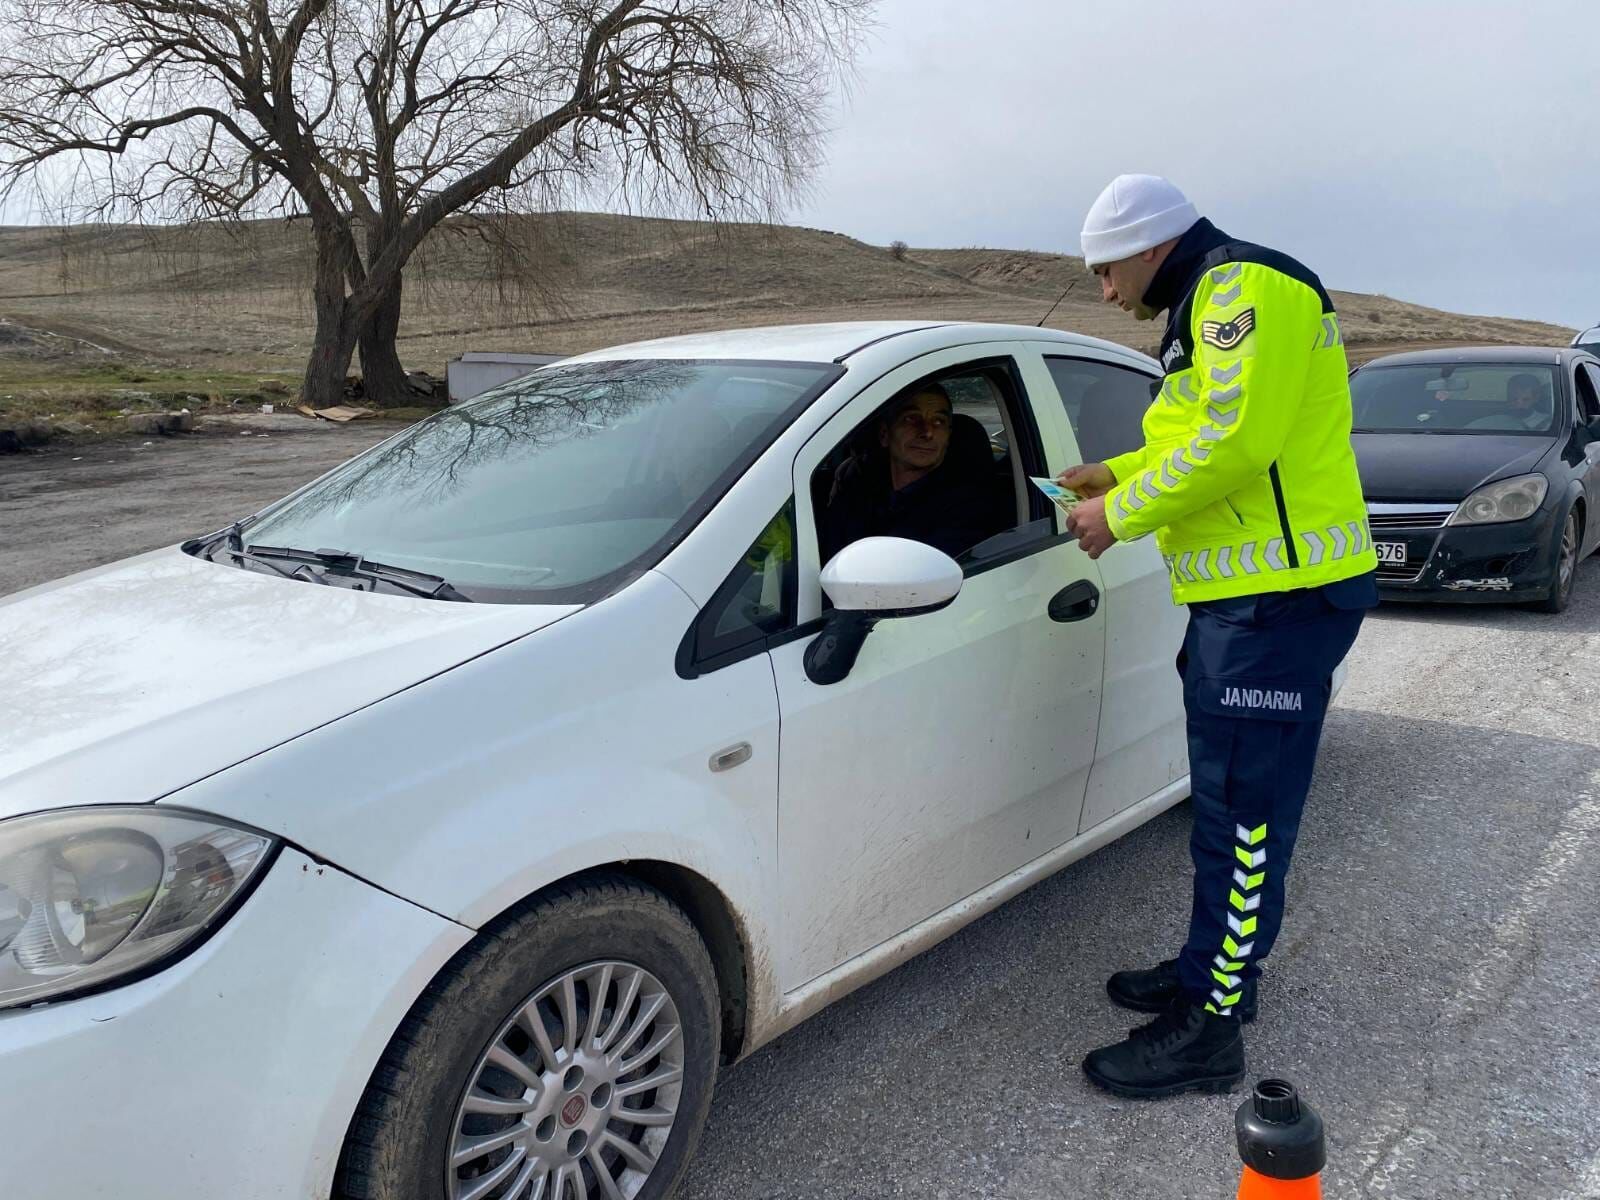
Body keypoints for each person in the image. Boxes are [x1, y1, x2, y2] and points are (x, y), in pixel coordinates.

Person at [1061, 174, 1380, 1099]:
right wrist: (1115, 472)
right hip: (1250, 603)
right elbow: (1201, 437)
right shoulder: (1206, 299)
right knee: (1230, 811)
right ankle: (1214, 971)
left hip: (1278, 605)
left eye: (1107, 270)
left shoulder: (1242, 289)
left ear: (1150, 244)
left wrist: (1120, 516)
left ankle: (1210, 1029)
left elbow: (1236, 441)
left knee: (1243, 819)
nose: (1106, 293)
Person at [818, 383, 1010, 563]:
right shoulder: (856, 482)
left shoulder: (969, 504)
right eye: (911, 418)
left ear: (948, 438)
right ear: (884, 434)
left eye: (938, 421)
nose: (927, 432)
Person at [1467, 372, 1551, 431]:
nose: (1518, 404)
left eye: (1525, 400)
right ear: (1507, 396)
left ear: (1536, 398)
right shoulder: (1495, 420)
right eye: (1513, 399)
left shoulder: (1548, 424)